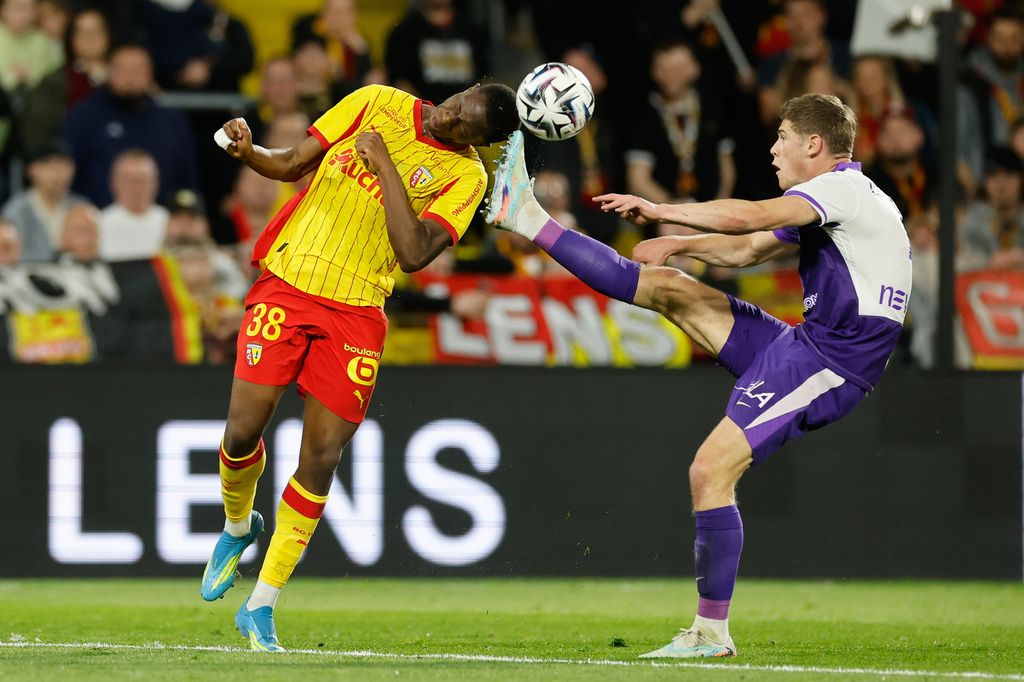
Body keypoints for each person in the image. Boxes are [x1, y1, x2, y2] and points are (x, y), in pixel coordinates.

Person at [486, 92, 911, 658]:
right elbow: (748, 249)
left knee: (709, 471)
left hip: (829, 365)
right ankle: (525, 216)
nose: (773, 148)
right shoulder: (842, 200)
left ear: (815, 144)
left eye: (782, 137)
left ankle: (710, 634)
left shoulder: (843, 189)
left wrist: (663, 210)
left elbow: (752, 216)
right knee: (667, 286)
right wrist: (681, 246)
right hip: (808, 345)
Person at [201, 81, 519, 652]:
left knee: (321, 456)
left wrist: (385, 164)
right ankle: (237, 526)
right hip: (289, 283)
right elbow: (295, 162)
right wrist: (249, 154)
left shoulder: (467, 179)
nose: (447, 118)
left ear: (482, 142)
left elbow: (414, 253)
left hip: (357, 312)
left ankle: (262, 605)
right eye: (454, 104)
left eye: (463, 124)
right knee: (241, 430)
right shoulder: (377, 101)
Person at [59, 43, 200, 207]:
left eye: (138, 70)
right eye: (124, 70)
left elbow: (188, 176)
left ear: (150, 74)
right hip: (98, 221)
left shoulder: (171, 120)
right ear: (109, 72)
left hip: (162, 222)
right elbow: (67, 174)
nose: (130, 78)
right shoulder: (83, 117)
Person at [1, 139, 85, 261]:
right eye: (48, 165)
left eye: (62, 164)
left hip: (75, 275)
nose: (56, 173)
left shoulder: (82, 208)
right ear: (31, 170)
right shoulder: (15, 212)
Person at [97, 148, 168, 261]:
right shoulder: (97, 225)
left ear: (155, 183)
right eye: (128, 180)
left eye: (142, 180)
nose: (135, 187)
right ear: (114, 182)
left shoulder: (171, 223)